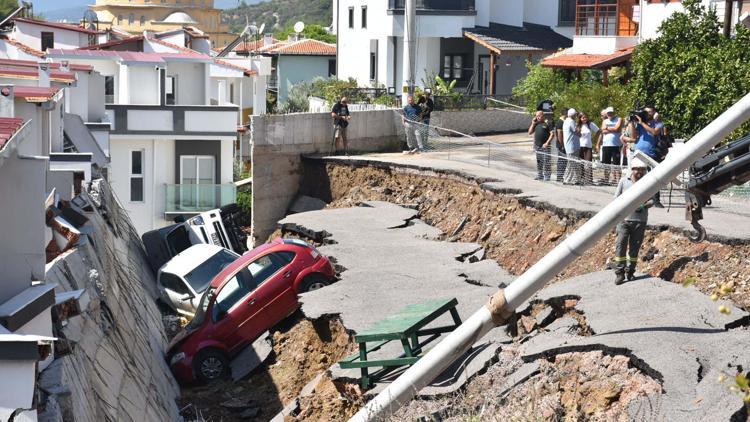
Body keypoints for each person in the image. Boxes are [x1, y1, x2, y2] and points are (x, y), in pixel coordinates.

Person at [613, 156, 654, 285]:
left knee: (634, 249)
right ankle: (620, 273)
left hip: (639, 221)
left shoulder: (648, 183)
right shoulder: (624, 181)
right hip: (624, 220)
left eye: (642, 170)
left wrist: (643, 205)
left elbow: (653, 201)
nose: (640, 172)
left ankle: (630, 271)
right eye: (637, 170)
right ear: (632, 169)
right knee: (621, 245)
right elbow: (616, 199)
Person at [631, 106, 665, 207]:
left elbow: (654, 132)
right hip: (639, 153)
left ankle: (656, 200)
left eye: (650, 112)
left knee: (655, 177)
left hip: (652, 153)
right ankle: (639, 198)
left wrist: (642, 123)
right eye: (646, 112)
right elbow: (633, 136)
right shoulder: (640, 124)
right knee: (637, 175)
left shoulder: (658, 123)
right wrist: (631, 122)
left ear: (654, 112)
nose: (648, 114)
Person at [596, 107, 623, 184]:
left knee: (616, 163)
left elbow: (617, 128)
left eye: (611, 113)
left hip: (616, 145)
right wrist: (612, 129)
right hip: (606, 145)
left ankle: (618, 180)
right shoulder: (605, 121)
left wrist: (607, 128)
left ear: (614, 113)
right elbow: (603, 131)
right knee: (606, 163)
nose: (610, 114)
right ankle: (606, 179)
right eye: (608, 113)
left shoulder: (619, 119)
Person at [528, 110, 553, 181]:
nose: (538, 117)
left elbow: (552, 134)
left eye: (539, 116)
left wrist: (547, 143)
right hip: (537, 146)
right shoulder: (536, 123)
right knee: (539, 161)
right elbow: (529, 132)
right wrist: (533, 123)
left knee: (547, 161)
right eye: (537, 116)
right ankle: (540, 176)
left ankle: (547, 176)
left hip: (545, 146)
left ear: (543, 115)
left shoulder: (548, 123)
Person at [577, 112, 598, 185]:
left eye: (586, 117)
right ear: (580, 118)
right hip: (579, 147)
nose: (585, 119)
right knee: (580, 163)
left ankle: (589, 180)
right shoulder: (578, 125)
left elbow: (598, 131)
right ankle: (581, 179)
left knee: (588, 163)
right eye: (583, 117)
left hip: (588, 146)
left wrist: (594, 139)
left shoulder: (590, 124)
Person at [562, 108, 581, 185]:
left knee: (571, 163)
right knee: (572, 163)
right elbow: (577, 132)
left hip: (570, 146)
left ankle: (572, 179)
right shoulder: (571, 121)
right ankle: (568, 179)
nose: (576, 116)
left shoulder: (566, 121)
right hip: (572, 146)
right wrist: (579, 127)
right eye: (576, 115)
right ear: (573, 115)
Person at [554, 109, 567, 182]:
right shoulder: (560, 122)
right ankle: (559, 177)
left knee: (563, 161)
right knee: (562, 161)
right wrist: (562, 145)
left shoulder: (563, 122)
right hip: (561, 145)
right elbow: (559, 134)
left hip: (563, 144)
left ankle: (560, 176)